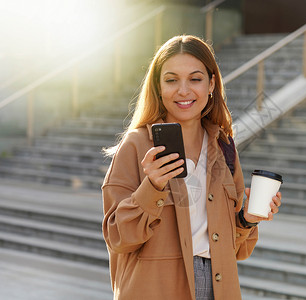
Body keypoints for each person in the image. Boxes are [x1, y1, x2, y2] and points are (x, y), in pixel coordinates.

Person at [102, 35, 282, 300]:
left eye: (195, 79)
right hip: (154, 289)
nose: (183, 91)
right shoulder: (137, 145)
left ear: (211, 84)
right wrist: (152, 187)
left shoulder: (223, 147)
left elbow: (235, 250)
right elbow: (118, 237)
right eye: (171, 80)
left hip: (219, 288)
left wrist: (247, 219)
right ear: (158, 87)